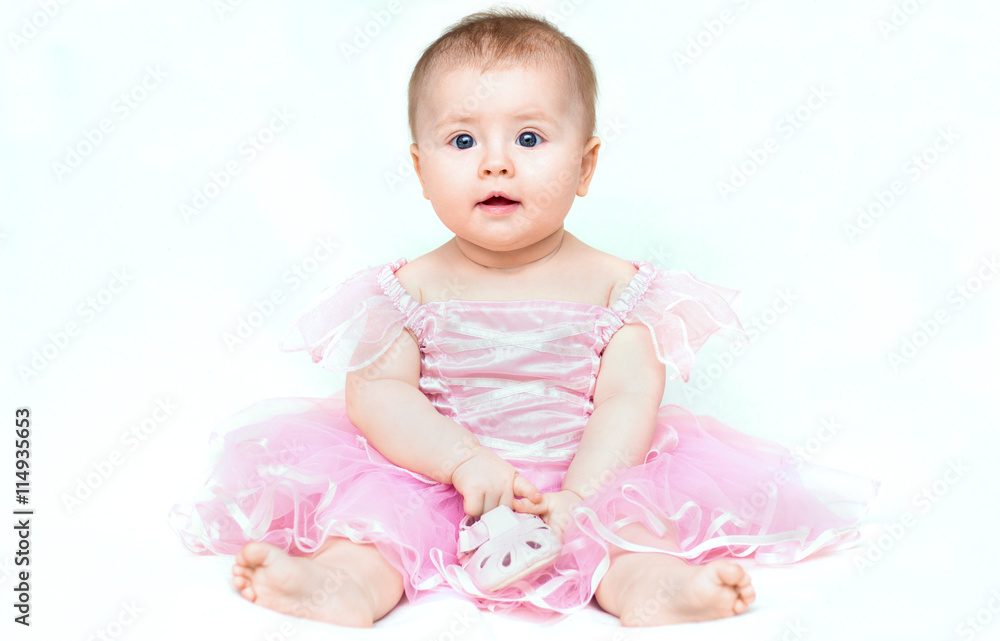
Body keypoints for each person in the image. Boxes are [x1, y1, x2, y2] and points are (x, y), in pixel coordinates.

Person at [169, 7, 878, 628]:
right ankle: (344, 584)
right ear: (419, 170)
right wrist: (464, 462)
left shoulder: (619, 289)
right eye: (463, 141)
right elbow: (376, 393)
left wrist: (580, 496)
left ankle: (656, 588)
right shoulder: (407, 290)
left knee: (624, 531)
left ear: (587, 164)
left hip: (586, 470)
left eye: (530, 140)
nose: (496, 165)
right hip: (440, 478)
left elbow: (629, 399)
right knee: (377, 527)